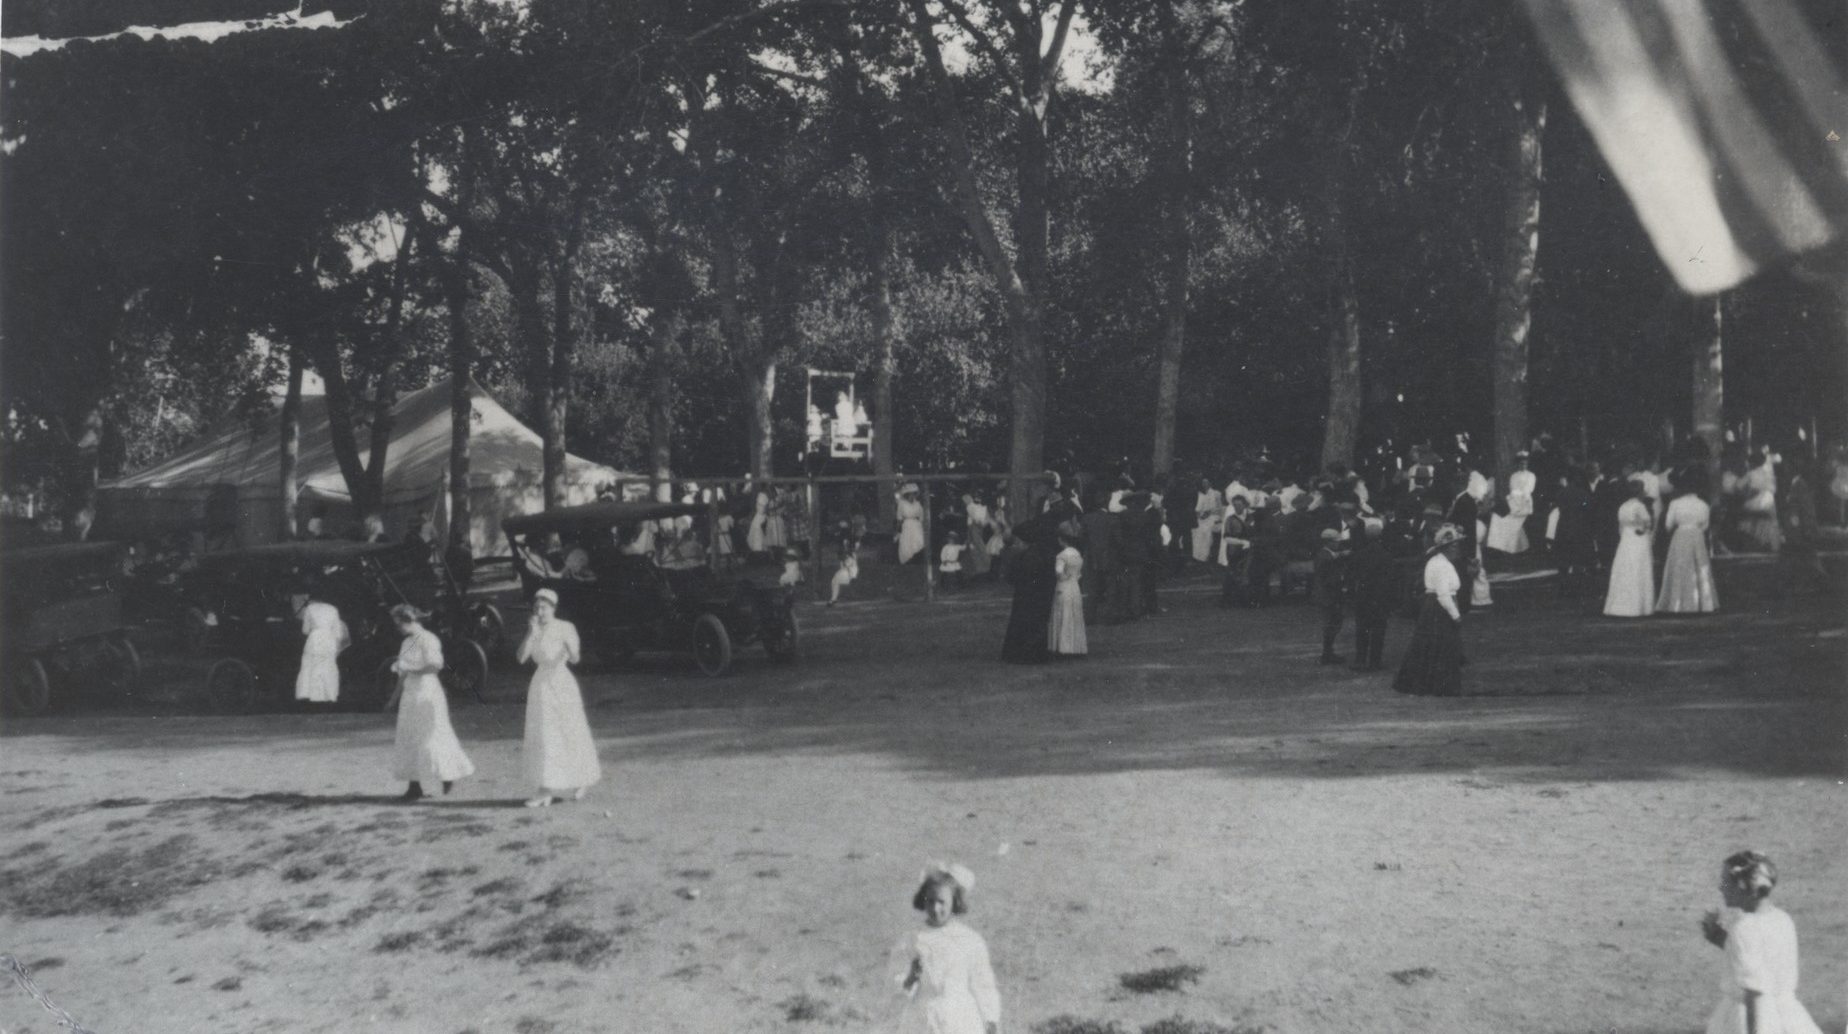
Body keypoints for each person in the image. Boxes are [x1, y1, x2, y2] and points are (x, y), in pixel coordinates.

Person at [1698, 851, 1824, 1034]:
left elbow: (1756, 994)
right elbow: (1762, 958)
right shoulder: (1782, 919)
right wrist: (1721, 939)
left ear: (1741, 886)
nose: (1721, 887)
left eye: (1726, 881)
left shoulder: (1743, 927)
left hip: (1753, 1019)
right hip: (1788, 1016)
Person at [893, 863, 1000, 1034]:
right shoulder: (912, 939)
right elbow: (896, 981)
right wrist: (910, 977)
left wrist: (990, 1019)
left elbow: (983, 983)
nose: (935, 908)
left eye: (942, 902)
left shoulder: (970, 940)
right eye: (930, 901)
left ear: (955, 902)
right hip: (922, 1018)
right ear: (923, 900)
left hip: (960, 1018)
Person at [517, 589, 600, 808]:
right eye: (536, 608)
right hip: (540, 685)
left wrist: (570, 648)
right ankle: (545, 789)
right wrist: (531, 633)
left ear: (553, 608)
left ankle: (581, 779)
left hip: (562, 683)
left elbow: (575, 657)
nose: (540, 611)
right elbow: (521, 658)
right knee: (544, 734)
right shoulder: (534, 629)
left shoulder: (565, 627)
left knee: (570, 730)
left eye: (544, 607)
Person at [388, 604, 474, 802]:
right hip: (410, 694)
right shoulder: (406, 642)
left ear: (411, 621)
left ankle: (447, 774)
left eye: (399, 624)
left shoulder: (428, 639)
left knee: (431, 736)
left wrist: (411, 668)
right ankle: (414, 786)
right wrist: (393, 699)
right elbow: (402, 673)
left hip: (427, 692)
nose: (397, 628)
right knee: (409, 737)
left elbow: (435, 666)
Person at [1394, 524, 1467, 697]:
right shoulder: (1440, 565)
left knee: (1432, 646)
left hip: (1435, 607)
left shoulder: (1441, 562)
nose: (1457, 549)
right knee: (1441, 647)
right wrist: (1455, 615)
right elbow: (1443, 594)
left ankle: (1431, 683)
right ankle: (1439, 686)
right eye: (1454, 546)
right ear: (1446, 548)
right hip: (1438, 608)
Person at [1000, 516, 1060, 664]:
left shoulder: (1022, 556)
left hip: (1025, 595)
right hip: (1042, 594)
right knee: (1038, 624)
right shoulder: (1047, 554)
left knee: (1022, 623)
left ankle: (1020, 654)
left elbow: (1011, 577)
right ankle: (1036, 653)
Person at [1657, 482, 1719, 614]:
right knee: (1698, 566)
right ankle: (1703, 603)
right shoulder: (1703, 504)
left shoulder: (1675, 503)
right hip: (1697, 535)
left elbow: (1668, 525)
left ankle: (1677, 603)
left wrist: (1679, 528)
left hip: (1681, 535)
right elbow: (1705, 526)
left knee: (1680, 567)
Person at [1603, 480, 1657, 618]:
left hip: (1626, 540)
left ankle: (1619, 606)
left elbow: (1621, 527)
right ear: (1639, 492)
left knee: (1624, 569)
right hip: (1638, 539)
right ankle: (1638, 606)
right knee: (1638, 568)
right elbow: (1647, 523)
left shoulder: (1622, 506)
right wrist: (1643, 530)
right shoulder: (1640, 506)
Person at [1348, 519, 1395, 671]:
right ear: (1380, 536)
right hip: (1380, 596)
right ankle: (1375, 660)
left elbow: (1353, 575)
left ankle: (1360, 659)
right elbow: (1390, 578)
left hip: (1363, 595)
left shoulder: (1359, 555)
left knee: (1362, 628)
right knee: (1379, 629)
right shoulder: (1386, 555)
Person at [292, 587, 348, 704]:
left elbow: (305, 630)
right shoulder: (333, 609)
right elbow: (337, 631)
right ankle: (329, 695)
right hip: (329, 639)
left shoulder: (309, 609)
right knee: (328, 665)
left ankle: (310, 695)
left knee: (310, 665)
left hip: (315, 638)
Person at [1312, 528, 1349, 665]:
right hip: (1329, 596)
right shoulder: (1326, 557)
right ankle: (1327, 654)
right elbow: (1330, 578)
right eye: (1336, 542)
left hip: (1326, 595)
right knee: (1332, 625)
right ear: (1328, 542)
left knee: (1332, 624)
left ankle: (1328, 653)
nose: (1338, 544)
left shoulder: (1324, 554)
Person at [1048, 529, 1087, 658]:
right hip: (1075, 587)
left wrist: (1063, 577)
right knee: (1074, 615)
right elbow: (1079, 573)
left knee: (1063, 614)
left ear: (1062, 541)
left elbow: (1058, 572)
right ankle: (1075, 647)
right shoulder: (1078, 554)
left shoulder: (1061, 556)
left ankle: (1062, 647)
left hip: (1064, 586)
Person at [1486, 453, 1534, 554]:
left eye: (1525, 463)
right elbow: (1513, 489)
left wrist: (1518, 494)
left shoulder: (1531, 476)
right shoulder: (1513, 476)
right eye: (1521, 463)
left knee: (1511, 522)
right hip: (1514, 502)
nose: (1523, 465)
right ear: (1518, 464)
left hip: (1524, 504)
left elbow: (1528, 490)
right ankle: (1516, 547)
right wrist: (1514, 496)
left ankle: (1509, 548)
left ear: (1527, 464)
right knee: (1498, 517)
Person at [1739, 448, 1782, 552]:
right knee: (1769, 520)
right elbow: (1774, 489)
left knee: (1746, 515)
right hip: (1768, 503)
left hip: (1755, 504)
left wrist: (1748, 492)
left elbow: (1738, 486)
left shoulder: (1750, 474)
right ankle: (1769, 544)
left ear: (1751, 462)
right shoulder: (1769, 474)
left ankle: (1753, 545)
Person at [1192, 476, 1222, 564]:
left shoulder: (1216, 493)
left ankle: (1204, 556)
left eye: (1206, 482)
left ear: (1210, 483)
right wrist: (1200, 515)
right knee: (1196, 529)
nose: (1204, 485)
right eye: (1203, 483)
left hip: (1213, 516)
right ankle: (1196, 555)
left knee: (1206, 530)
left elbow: (1219, 508)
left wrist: (1209, 512)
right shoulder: (1199, 494)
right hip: (1202, 516)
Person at [896, 484, 927, 565]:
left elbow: (921, 516)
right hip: (907, 525)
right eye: (911, 494)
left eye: (914, 493)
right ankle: (907, 561)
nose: (912, 495)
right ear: (907, 494)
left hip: (917, 525)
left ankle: (916, 560)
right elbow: (899, 517)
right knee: (906, 544)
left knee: (918, 542)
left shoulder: (918, 504)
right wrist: (898, 530)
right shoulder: (902, 504)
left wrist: (922, 526)